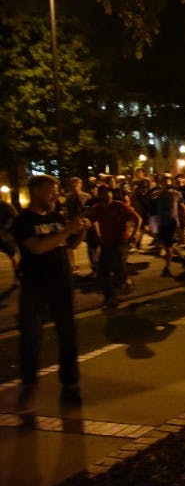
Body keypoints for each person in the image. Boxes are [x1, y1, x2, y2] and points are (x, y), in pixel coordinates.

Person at [12, 175, 90, 411]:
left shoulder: (57, 217)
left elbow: (71, 245)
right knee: (31, 338)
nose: (55, 195)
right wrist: (67, 230)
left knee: (68, 335)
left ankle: (70, 384)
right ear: (35, 191)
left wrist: (80, 230)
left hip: (62, 284)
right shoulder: (24, 221)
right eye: (50, 190)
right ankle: (29, 387)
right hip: (35, 286)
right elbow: (37, 248)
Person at [85, 184, 142, 309]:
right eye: (102, 193)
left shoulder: (119, 206)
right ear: (99, 195)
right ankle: (110, 297)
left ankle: (125, 281)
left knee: (117, 263)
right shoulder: (97, 208)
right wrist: (94, 231)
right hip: (106, 243)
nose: (105, 195)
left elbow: (137, 218)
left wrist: (134, 233)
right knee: (102, 271)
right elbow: (90, 221)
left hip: (121, 242)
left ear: (111, 194)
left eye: (108, 193)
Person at [151, 174, 185, 277]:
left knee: (167, 247)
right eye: (164, 181)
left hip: (172, 222)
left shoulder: (176, 193)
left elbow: (182, 207)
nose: (166, 183)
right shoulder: (158, 193)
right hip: (162, 222)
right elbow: (151, 196)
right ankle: (182, 257)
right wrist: (163, 190)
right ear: (161, 183)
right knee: (167, 244)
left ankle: (167, 268)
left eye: (168, 181)